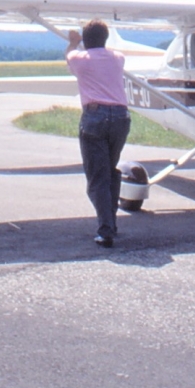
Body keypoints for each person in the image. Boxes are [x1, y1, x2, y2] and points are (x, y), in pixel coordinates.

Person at [66, 19, 131, 248]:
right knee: (110, 172)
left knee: (97, 178)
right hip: (121, 118)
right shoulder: (118, 58)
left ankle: (106, 231)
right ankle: (110, 223)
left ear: (86, 40)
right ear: (105, 39)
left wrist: (73, 42)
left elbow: (70, 56)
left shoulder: (78, 59)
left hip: (95, 118)